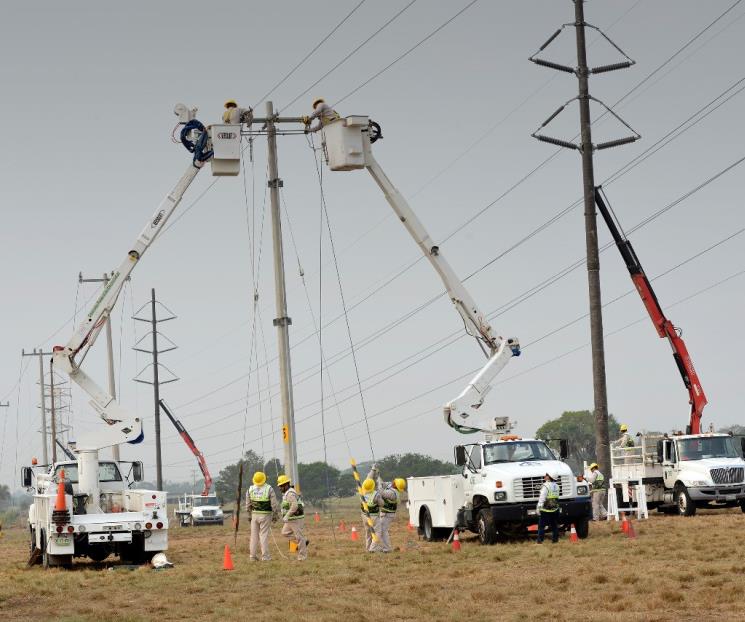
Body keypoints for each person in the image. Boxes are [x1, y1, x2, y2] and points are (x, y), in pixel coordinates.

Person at [367, 464, 406, 553]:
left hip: (388, 514)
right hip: (385, 513)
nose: (393, 481)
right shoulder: (391, 485)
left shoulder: (393, 493)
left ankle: (387, 548)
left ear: (396, 485)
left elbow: (381, 492)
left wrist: (379, 484)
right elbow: (383, 483)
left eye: (394, 482)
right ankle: (384, 548)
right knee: (382, 530)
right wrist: (378, 475)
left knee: (383, 531)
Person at [246, 471, 279, 561]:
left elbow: (248, 505)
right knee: (263, 535)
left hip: (254, 515)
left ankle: (252, 556)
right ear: (264, 479)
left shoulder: (250, 489)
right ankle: (265, 557)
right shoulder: (269, 488)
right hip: (265, 515)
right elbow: (274, 504)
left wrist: (249, 516)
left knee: (254, 536)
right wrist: (275, 515)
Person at [277, 474, 307, 561]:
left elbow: (294, 506)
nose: (280, 488)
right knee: (285, 533)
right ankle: (303, 541)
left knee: (299, 537)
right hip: (291, 519)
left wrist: (287, 515)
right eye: (279, 486)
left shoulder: (290, 493)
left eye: (281, 486)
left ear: (286, 485)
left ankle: (302, 557)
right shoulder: (287, 493)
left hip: (296, 518)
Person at [536, 472, 560, 544]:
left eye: (546, 475)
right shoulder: (557, 486)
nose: (545, 476)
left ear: (550, 477)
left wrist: (538, 507)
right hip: (555, 509)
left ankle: (540, 541)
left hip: (545, 510)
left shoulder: (546, 486)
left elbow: (542, 498)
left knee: (541, 526)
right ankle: (555, 540)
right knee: (554, 525)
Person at [360, 476, 381, 553]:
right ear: (373, 486)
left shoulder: (361, 492)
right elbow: (381, 504)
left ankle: (368, 548)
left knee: (368, 533)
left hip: (364, 515)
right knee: (377, 532)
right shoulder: (376, 495)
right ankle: (373, 548)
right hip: (373, 516)